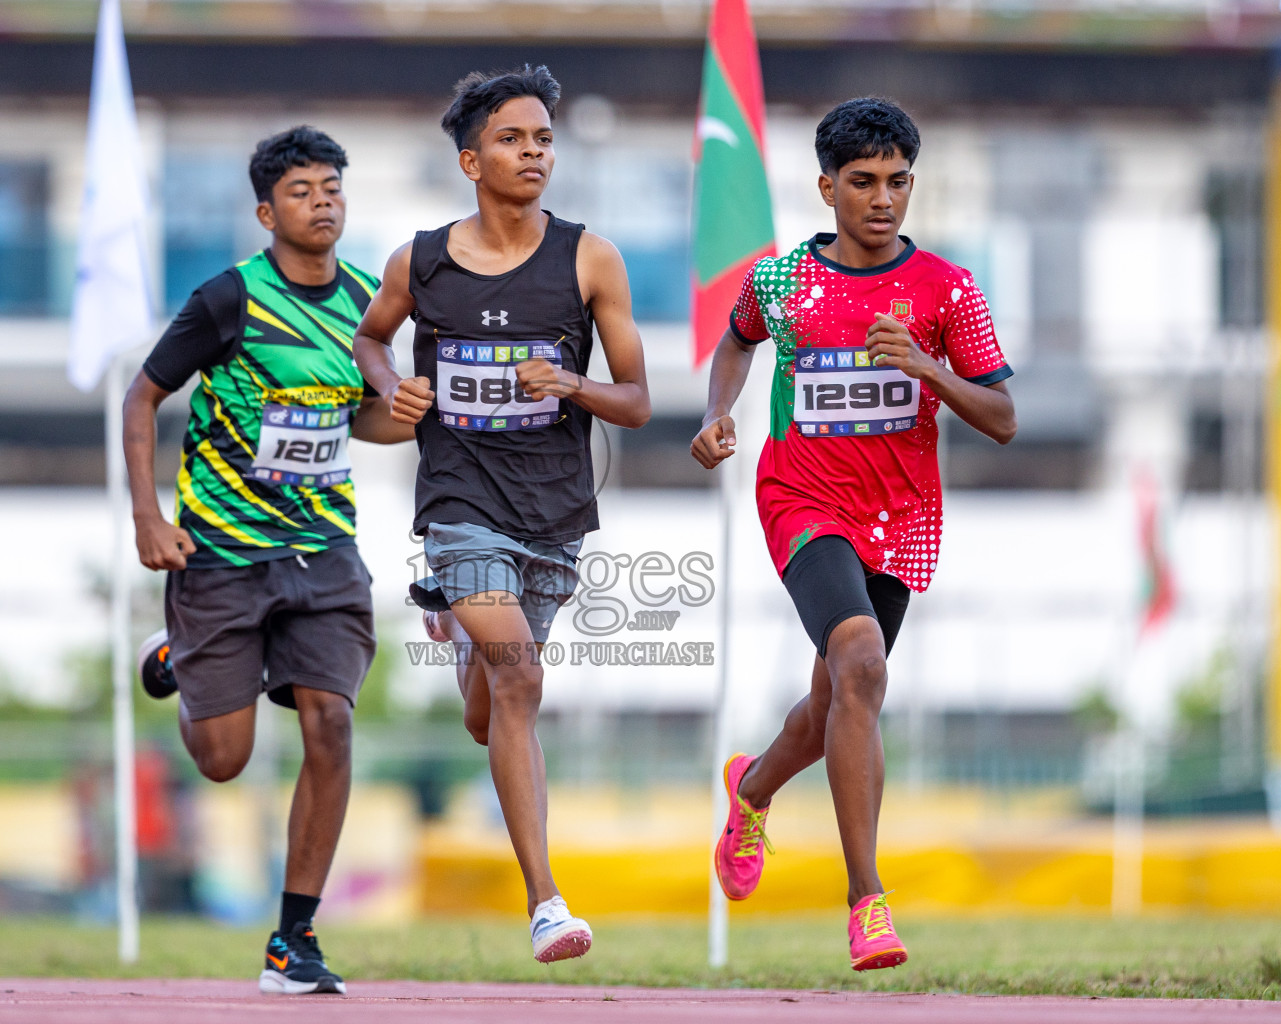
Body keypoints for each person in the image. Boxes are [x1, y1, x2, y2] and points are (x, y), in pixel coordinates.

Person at [690, 97, 1017, 971]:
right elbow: (735, 340)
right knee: (862, 661)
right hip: (802, 498)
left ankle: (751, 786)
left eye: (899, 182)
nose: (883, 199)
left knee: (841, 697)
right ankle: (868, 902)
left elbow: (1005, 419)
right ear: (827, 186)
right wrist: (719, 413)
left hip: (901, 516)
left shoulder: (948, 289)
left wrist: (926, 367)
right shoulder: (783, 280)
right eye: (864, 183)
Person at [352, 65, 651, 963]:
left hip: (555, 510)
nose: (534, 153)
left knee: (489, 712)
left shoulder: (590, 258)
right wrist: (391, 386)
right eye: (515, 139)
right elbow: (371, 335)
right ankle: (547, 903)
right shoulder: (423, 259)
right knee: (520, 679)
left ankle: (455, 624)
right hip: (459, 497)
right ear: (470, 160)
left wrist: (571, 382)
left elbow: (635, 401)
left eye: (544, 139)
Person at [124, 125, 411, 996]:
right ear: (265, 211)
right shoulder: (229, 301)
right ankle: (184, 655)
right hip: (221, 555)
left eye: (333, 186)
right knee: (222, 759)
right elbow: (143, 398)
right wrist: (149, 517)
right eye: (302, 190)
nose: (322, 200)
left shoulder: (368, 302)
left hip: (323, 549)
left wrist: (413, 411)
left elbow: (362, 414)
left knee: (331, 722)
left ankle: (295, 940)